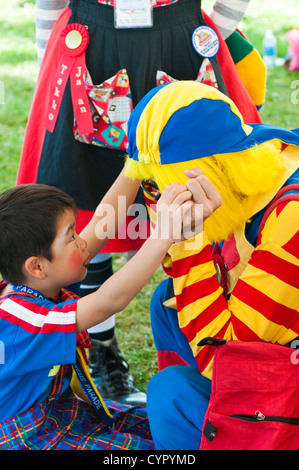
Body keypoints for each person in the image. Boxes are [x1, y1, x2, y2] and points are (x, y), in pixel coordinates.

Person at [17, 0, 262, 405]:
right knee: (83, 196)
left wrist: (209, 31)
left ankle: (199, 344)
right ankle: (102, 352)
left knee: (196, 190)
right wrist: (55, 55)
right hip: (88, 44)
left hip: (181, 41)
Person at [123, 80, 299, 450]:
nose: (155, 200)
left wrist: (188, 240)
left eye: (163, 187)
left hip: (276, 359)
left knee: (169, 393)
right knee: (166, 301)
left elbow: (230, 360)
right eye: (151, 188)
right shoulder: (257, 156)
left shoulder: (292, 218)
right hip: (271, 328)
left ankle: (210, 425)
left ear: (211, 173)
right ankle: (206, 420)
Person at [0, 178, 198, 450]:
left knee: (165, 424)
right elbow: (109, 301)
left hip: (64, 412)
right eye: (71, 237)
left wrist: (134, 167)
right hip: (32, 436)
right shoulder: (23, 320)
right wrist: (163, 235)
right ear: (36, 266)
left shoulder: (35, 281)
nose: (82, 242)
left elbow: (102, 224)